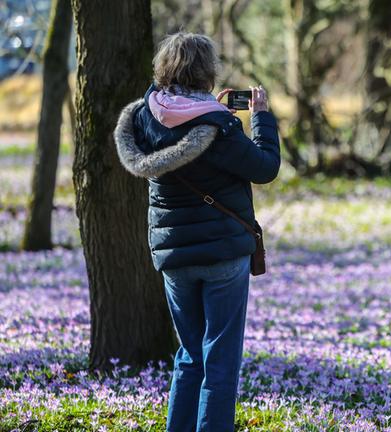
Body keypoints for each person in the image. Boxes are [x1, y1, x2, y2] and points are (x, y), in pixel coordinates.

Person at [113, 32, 280, 432]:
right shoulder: (219, 126)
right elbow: (265, 167)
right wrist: (260, 117)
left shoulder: (142, 118)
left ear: (164, 68)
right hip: (223, 256)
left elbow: (177, 116)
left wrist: (211, 108)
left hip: (174, 259)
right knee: (220, 360)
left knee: (189, 356)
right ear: (207, 72)